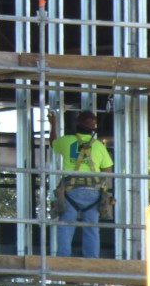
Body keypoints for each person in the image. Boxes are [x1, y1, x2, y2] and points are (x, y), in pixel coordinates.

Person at [48, 110, 114, 259]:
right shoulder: (98, 146)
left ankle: (63, 258)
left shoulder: (66, 141)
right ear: (92, 130)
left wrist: (53, 124)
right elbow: (108, 170)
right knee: (91, 227)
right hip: (93, 192)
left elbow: (52, 143)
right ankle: (92, 259)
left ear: (77, 125)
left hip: (71, 191)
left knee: (66, 225)